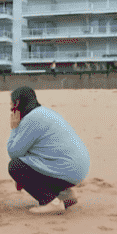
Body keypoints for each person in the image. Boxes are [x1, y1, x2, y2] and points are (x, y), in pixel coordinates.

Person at [7, 86, 89, 214]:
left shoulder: (32, 119)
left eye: (11, 104)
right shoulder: (44, 112)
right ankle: (65, 194)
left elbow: (14, 152)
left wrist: (14, 128)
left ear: (17, 103)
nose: (11, 108)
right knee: (33, 160)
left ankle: (52, 202)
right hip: (78, 168)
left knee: (16, 167)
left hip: (67, 169)